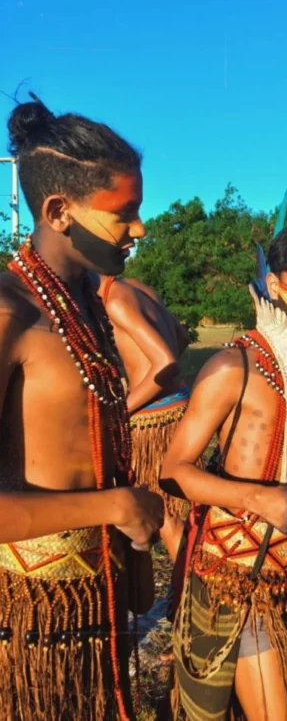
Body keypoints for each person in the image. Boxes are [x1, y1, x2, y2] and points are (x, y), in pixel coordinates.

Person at [160, 220, 287, 720]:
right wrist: (259, 500)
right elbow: (173, 471)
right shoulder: (234, 366)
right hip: (234, 573)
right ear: (272, 284)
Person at [0, 95, 164, 721]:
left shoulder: (86, 305)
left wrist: (134, 549)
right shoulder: (10, 311)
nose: (140, 229)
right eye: (125, 213)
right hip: (31, 611)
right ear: (58, 210)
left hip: (98, 595)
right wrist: (114, 506)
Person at [93, 273, 191, 560]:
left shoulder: (115, 299)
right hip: (179, 406)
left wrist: (119, 411)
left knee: (167, 517)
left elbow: (166, 364)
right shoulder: (138, 288)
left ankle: (187, 600)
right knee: (177, 510)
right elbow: (181, 338)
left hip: (155, 418)